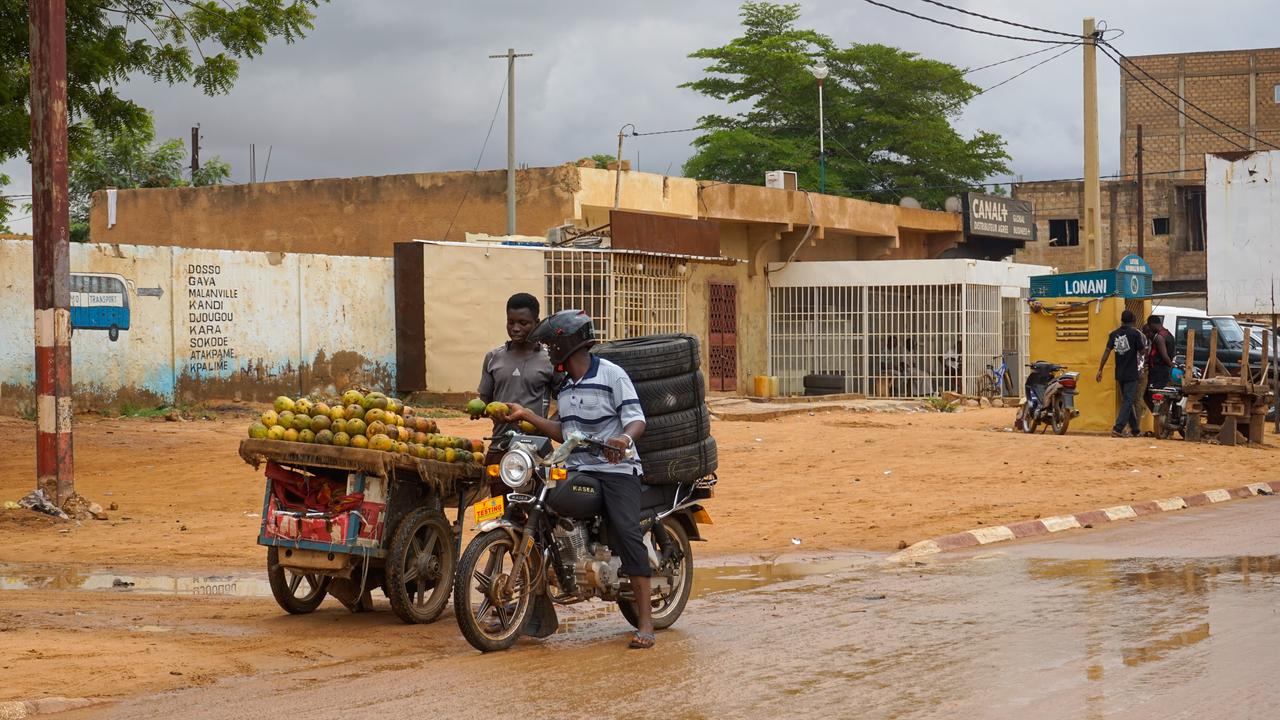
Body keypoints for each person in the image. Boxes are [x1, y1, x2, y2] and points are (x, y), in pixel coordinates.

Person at [502, 309, 655, 650]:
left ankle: (645, 622)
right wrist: (528, 416)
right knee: (545, 509)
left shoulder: (612, 374)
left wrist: (623, 439)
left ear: (565, 345)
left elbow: (636, 419)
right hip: (579, 468)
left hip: (617, 469)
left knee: (627, 530)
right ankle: (538, 597)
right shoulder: (566, 387)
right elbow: (564, 431)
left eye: (550, 346)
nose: (547, 352)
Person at [475, 293, 557, 484]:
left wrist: (545, 427)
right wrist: (479, 411)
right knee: (499, 501)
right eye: (510, 322)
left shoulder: (550, 359)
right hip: (500, 446)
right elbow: (484, 402)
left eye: (523, 323)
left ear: (536, 323)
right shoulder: (493, 357)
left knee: (543, 501)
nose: (515, 328)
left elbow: (566, 404)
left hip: (537, 449)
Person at [1095, 309, 1148, 437]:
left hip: (1119, 373)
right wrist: (1146, 346)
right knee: (1128, 401)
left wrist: (1100, 369)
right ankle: (1117, 428)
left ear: (1122, 320)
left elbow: (1107, 352)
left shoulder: (1114, 334)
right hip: (1131, 373)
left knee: (1126, 401)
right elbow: (1142, 352)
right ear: (1133, 321)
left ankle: (1135, 430)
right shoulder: (1135, 334)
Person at [1142, 314, 1175, 411]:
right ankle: (1161, 414)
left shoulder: (1159, 337)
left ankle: (1157, 415)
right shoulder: (1168, 334)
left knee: (1150, 396)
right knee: (1158, 395)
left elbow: (1165, 356)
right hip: (1163, 371)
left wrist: (1172, 366)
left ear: (1152, 325)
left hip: (1158, 372)